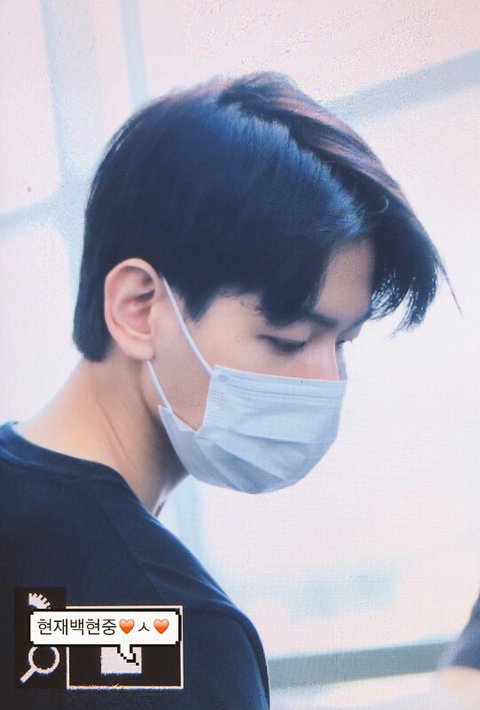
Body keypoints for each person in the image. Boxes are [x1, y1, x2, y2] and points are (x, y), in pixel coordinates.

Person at [0, 72, 446, 708]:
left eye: (343, 343)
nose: (328, 384)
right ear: (137, 308)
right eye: (289, 339)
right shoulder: (174, 640)